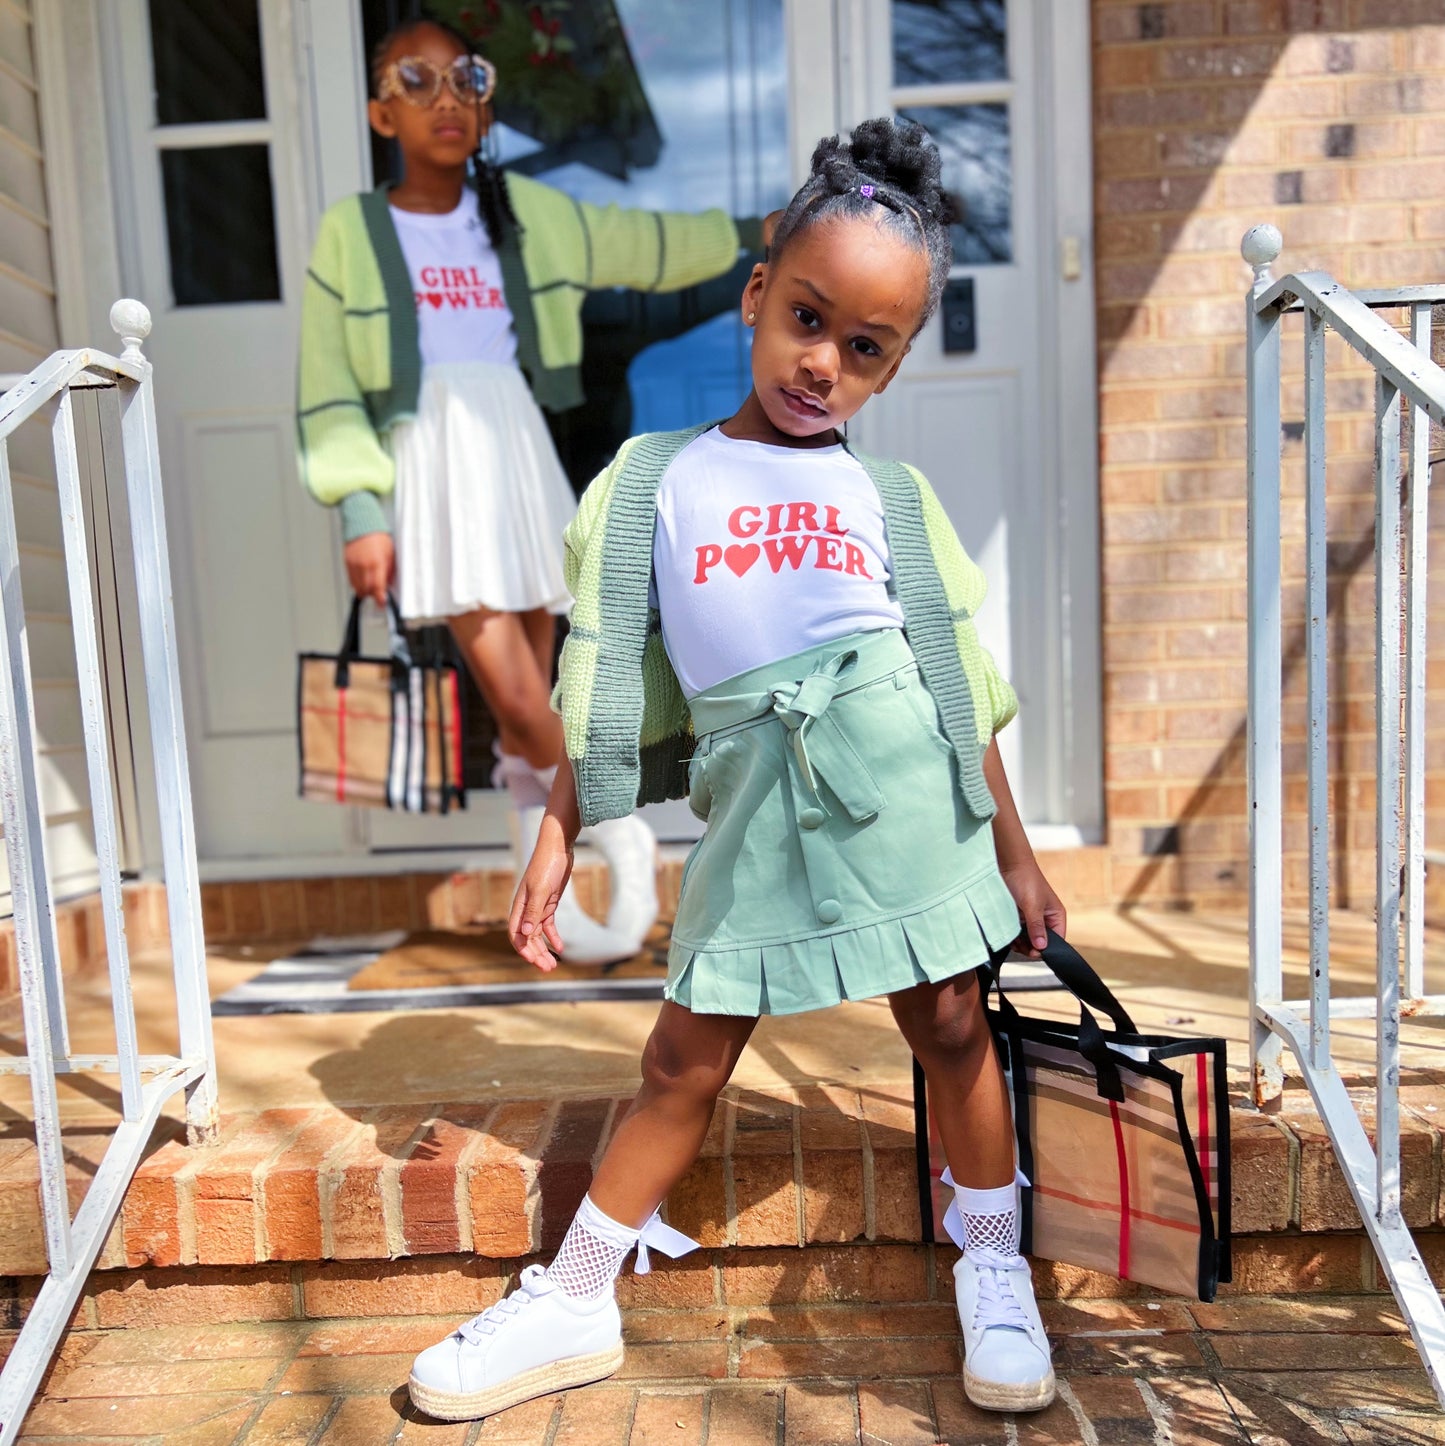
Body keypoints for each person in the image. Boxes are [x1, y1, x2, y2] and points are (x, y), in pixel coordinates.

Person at [406, 118, 1069, 1423]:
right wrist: (560, 830)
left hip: (902, 784)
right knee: (680, 1056)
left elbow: (956, 683)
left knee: (950, 1025)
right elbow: (598, 681)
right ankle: (577, 1292)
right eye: (809, 320)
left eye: (863, 349)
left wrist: (1015, 846)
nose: (824, 363)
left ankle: (993, 1265)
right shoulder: (651, 481)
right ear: (759, 293)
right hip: (755, 801)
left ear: (889, 369)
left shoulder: (889, 500)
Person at [296, 15, 765, 962]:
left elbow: (640, 244)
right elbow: (328, 380)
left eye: (465, 77)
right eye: (416, 80)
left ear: (486, 98)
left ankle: (544, 913)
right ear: (380, 110)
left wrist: (763, 232)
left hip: (511, 447)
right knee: (517, 699)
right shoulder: (353, 229)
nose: (445, 98)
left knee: (536, 695)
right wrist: (360, 510)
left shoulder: (519, 213)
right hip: (427, 461)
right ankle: (622, 826)